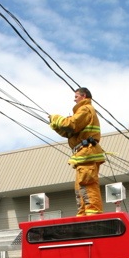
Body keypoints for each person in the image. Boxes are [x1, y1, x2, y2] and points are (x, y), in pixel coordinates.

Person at [49, 87, 106, 216]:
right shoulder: (83, 110)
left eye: (76, 96)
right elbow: (70, 132)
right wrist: (56, 125)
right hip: (83, 153)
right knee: (80, 187)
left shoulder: (85, 109)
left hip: (87, 152)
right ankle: (83, 213)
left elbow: (71, 124)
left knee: (87, 184)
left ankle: (92, 213)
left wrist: (57, 118)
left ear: (84, 96)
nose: (74, 99)